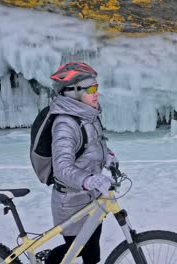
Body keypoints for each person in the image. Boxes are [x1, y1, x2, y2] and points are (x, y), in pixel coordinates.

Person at [45, 62, 118, 264]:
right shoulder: (65, 124)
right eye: (91, 89)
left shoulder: (88, 115)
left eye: (97, 87)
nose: (96, 93)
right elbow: (62, 168)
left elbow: (91, 147)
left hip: (90, 199)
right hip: (71, 201)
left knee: (92, 253)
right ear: (73, 93)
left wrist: (108, 157)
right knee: (76, 250)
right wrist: (88, 180)